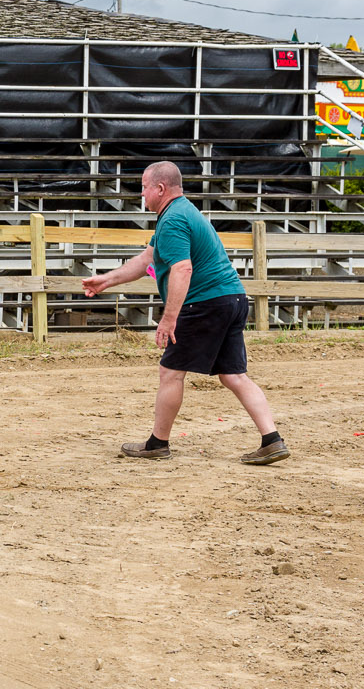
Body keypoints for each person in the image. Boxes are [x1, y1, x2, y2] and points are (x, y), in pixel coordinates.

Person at [82, 161, 289, 464]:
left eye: (144, 187)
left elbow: (182, 269)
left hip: (205, 303)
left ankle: (157, 443)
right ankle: (272, 440)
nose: (142, 194)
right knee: (234, 375)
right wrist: (106, 280)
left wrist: (169, 319)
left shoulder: (173, 220)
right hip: (231, 299)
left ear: (160, 188)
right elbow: (147, 259)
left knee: (170, 372)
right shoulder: (181, 212)